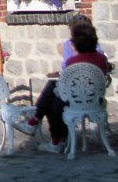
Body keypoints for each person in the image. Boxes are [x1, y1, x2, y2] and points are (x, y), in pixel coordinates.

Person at [16, 19, 111, 153]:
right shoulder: (102, 59)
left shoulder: (73, 61)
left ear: (76, 43)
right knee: (53, 94)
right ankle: (42, 127)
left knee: (53, 100)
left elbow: (67, 82)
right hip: (95, 99)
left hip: (76, 101)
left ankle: (45, 130)